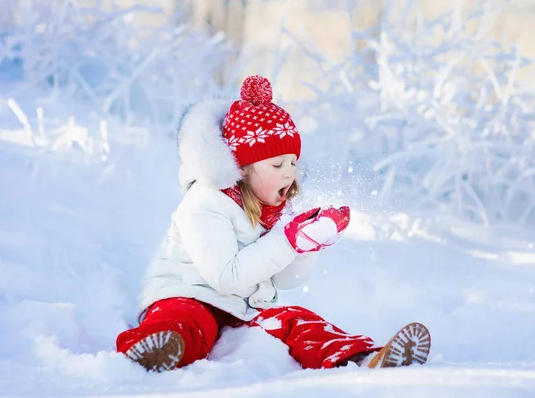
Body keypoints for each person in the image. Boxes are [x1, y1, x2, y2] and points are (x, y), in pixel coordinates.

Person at [116, 75, 431, 372]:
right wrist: (287, 241)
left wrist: (306, 245)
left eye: (293, 162)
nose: (288, 173)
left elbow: (283, 280)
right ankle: (154, 350)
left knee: (295, 320)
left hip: (241, 311)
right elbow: (227, 277)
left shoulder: (275, 211)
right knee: (188, 321)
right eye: (277, 164)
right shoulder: (205, 202)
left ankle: (362, 358)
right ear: (243, 167)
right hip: (186, 295)